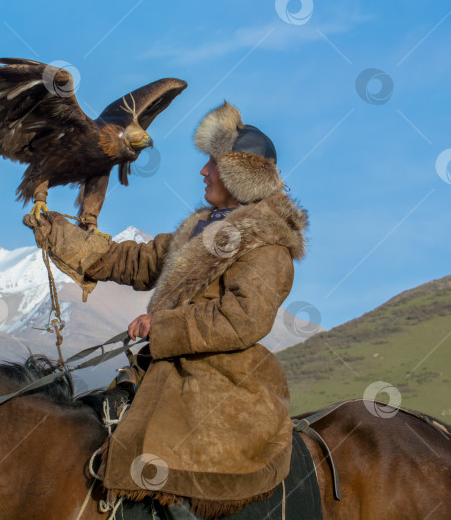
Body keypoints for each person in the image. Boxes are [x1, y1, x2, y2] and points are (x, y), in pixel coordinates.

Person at [24, 102, 308, 514]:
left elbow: (243, 319)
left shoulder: (268, 248)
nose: (203, 172)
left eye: (212, 164)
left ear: (237, 176)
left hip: (221, 379)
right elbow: (141, 261)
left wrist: (163, 325)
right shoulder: (201, 227)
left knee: (159, 455)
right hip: (164, 369)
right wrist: (64, 238)